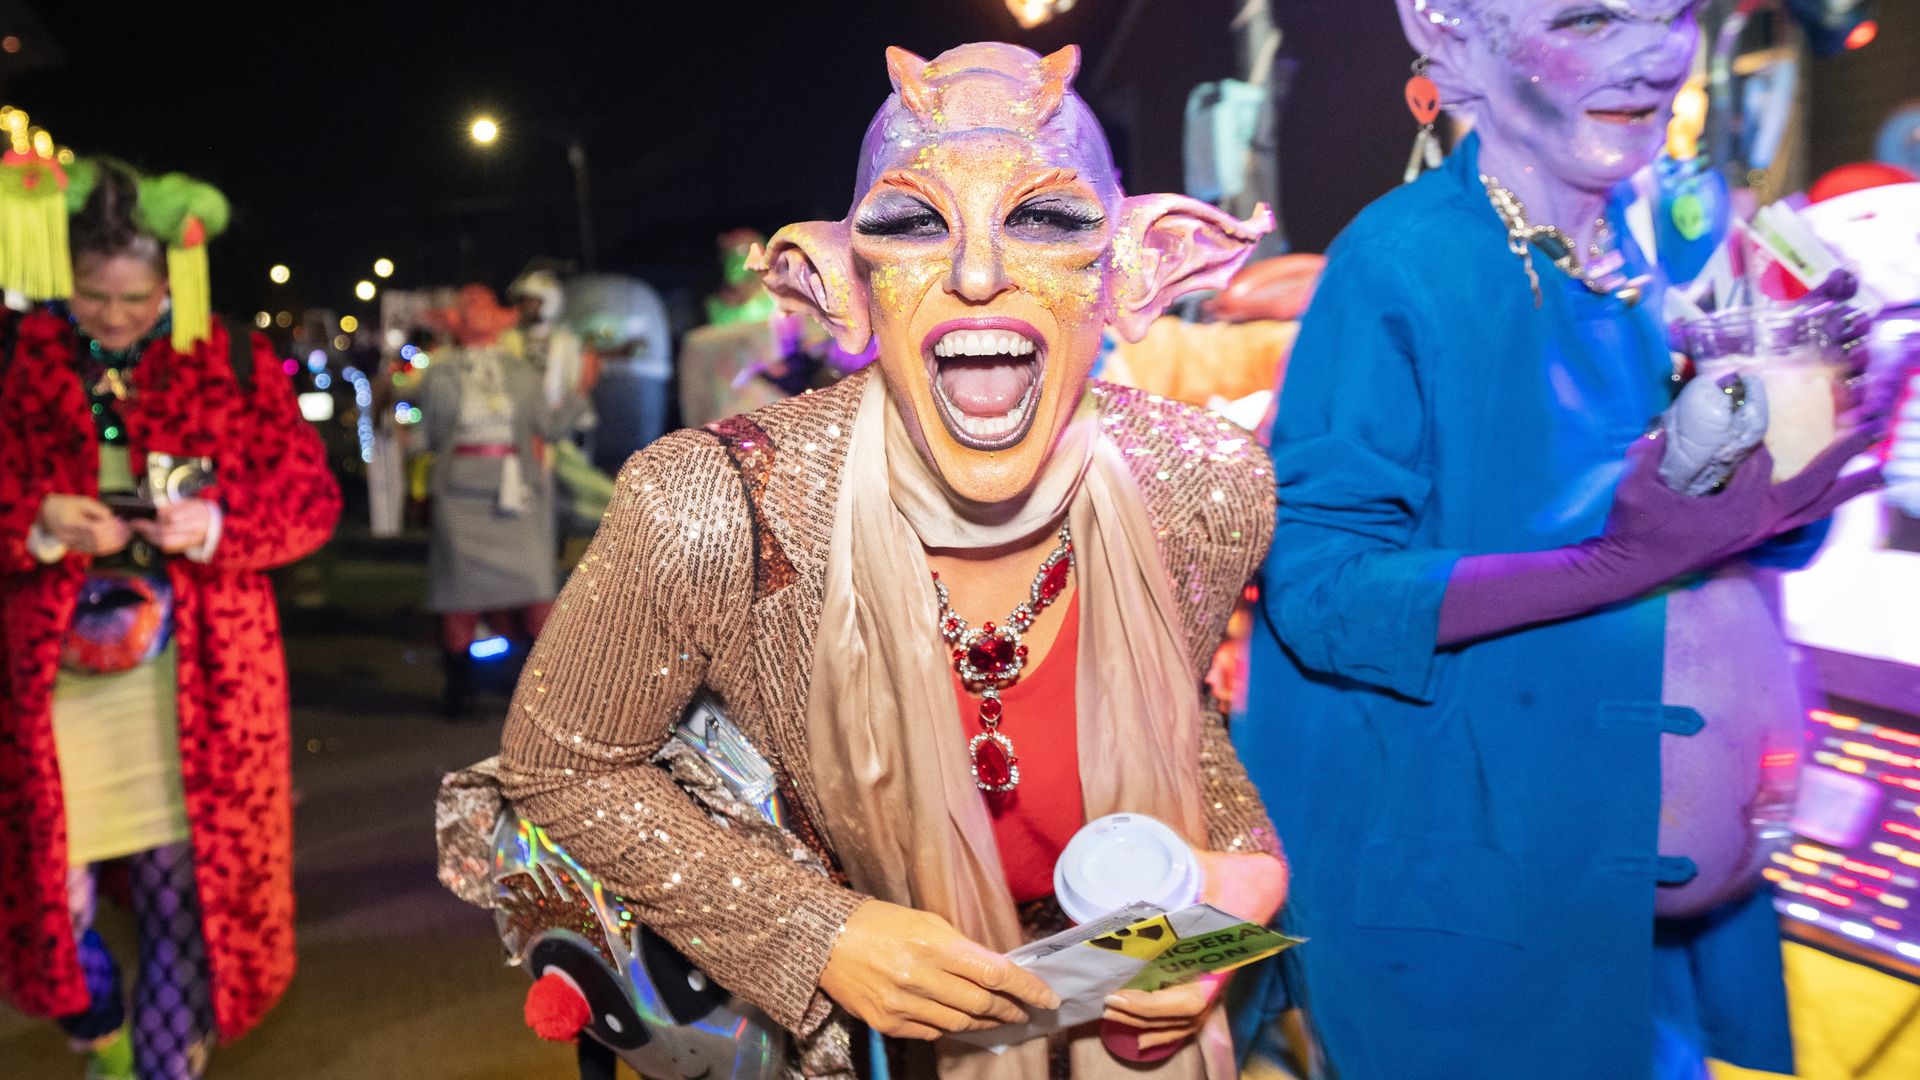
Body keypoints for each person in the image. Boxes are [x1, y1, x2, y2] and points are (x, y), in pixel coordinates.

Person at [495, 42, 1288, 1079]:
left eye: (1045, 218)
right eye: (914, 222)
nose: (976, 272)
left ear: (1138, 265)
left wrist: (1221, 901)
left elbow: (1187, 728)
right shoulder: (716, 507)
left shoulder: (1202, 486)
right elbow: (559, 764)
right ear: (842, 283)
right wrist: (817, 934)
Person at [1234, 3, 1882, 1078]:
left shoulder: (1635, 239)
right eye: (1587, 17)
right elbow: (1325, 590)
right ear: (1449, 34)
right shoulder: (1400, 265)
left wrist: (1793, 475)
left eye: (1671, 11)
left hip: (1633, 919)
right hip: (1478, 915)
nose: (1649, 54)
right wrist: (1617, 562)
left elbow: (1676, 526)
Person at [0, 157, 340, 1079]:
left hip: (199, 682)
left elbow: (311, 497)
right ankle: (95, 1024)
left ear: (172, 280)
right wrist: (34, 519)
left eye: (137, 297)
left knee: (181, 906)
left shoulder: (225, 354)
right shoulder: (15, 352)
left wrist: (220, 522)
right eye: (91, 294)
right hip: (45, 689)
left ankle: (160, 1068)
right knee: (50, 915)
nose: (113, 316)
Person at [418, 283, 596, 717]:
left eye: (484, 303)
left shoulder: (520, 373)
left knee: (538, 593)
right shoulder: (440, 373)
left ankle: (543, 692)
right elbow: (435, 432)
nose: (476, 310)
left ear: (501, 317)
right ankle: (459, 690)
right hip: (461, 493)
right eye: (466, 305)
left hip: (515, 492)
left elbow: (550, 429)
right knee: (458, 599)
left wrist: (581, 390)